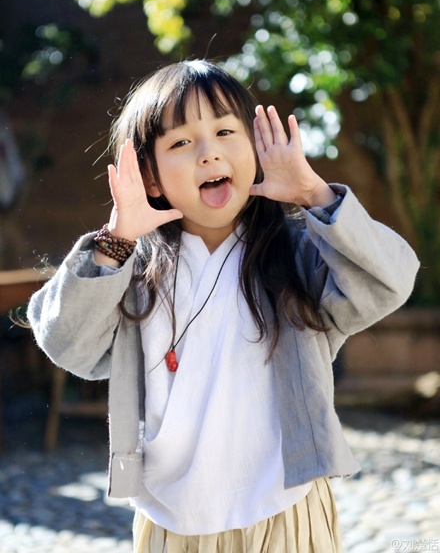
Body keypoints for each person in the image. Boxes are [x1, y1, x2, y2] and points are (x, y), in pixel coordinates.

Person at [27, 59, 419, 553]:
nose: (209, 154)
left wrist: (313, 194)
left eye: (225, 131)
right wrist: (117, 238)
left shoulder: (297, 255)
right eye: (181, 142)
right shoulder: (131, 275)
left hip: (286, 507)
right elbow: (65, 342)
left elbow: (392, 281)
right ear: (149, 176)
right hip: (170, 519)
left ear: (255, 148)